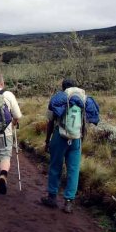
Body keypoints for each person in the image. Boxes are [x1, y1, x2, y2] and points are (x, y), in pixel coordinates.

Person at [41, 78, 84, 213]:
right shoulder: (82, 99)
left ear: (63, 88)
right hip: (76, 138)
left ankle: (52, 197)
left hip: (60, 136)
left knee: (55, 166)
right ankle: (68, 202)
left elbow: (50, 122)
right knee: (73, 170)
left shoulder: (59, 100)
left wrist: (47, 141)